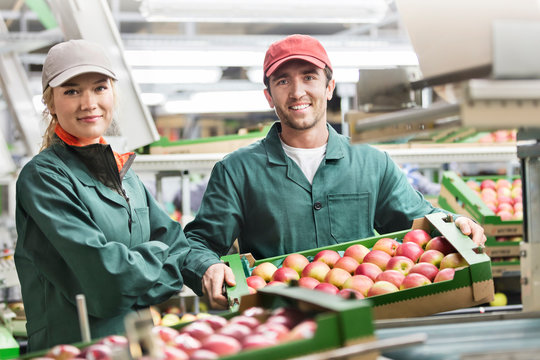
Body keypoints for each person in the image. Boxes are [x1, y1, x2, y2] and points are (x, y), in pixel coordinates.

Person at [182, 34, 487, 309]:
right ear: (268, 95)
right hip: (281, 322)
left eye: (309, 77)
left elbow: (420, 219)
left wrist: (455, 223)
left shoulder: (371, 162)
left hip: (366, 318)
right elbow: (198, 244)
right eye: (283, 81)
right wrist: (206, 267)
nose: (297, 91)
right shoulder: (236, 171)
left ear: (329, 88)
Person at [14, 39, 192, 352]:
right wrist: (158, 257)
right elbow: (108, 280)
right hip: (76, 347)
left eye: (99, 88)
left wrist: (141, 271)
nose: (89, 102)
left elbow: (179, 247)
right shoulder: (44, 177)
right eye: (71, 91)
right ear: (50, 104)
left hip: (137, 344)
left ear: (112, 94)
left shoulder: (124, 172)